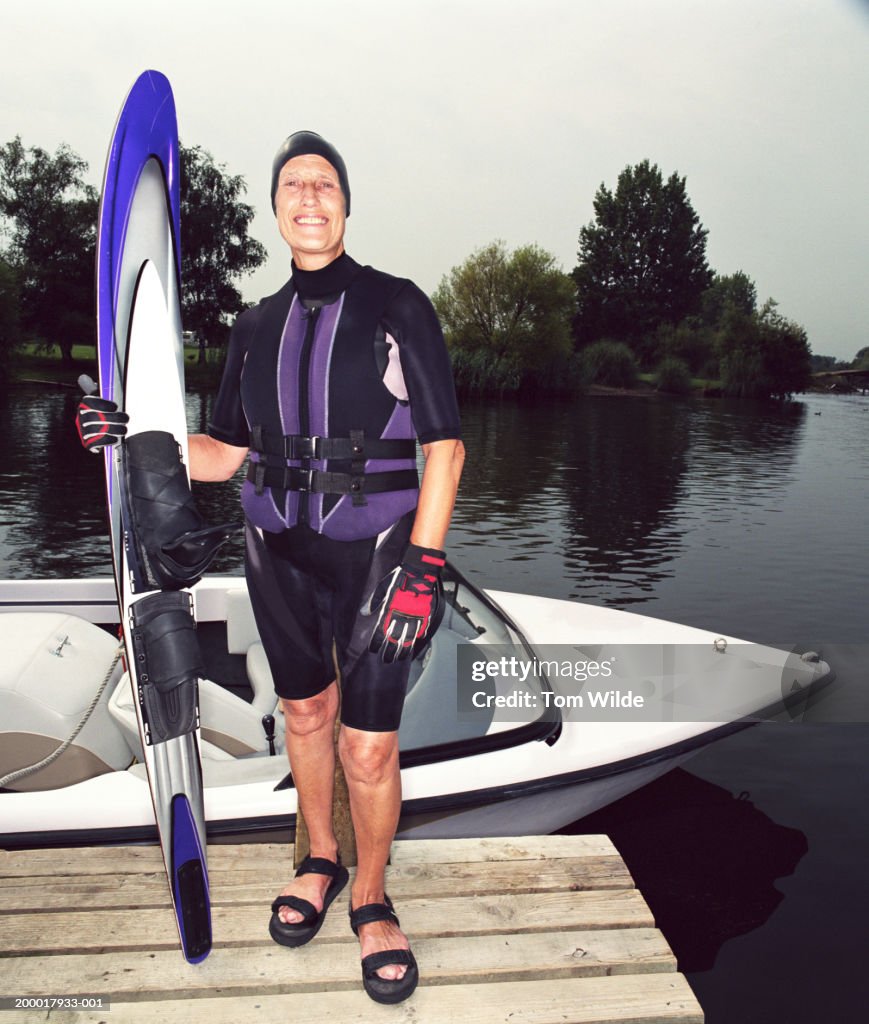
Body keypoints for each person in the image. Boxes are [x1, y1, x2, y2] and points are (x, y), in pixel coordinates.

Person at [79, 131, 463, 1004]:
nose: (309, 197)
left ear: (344, 204)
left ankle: (371, 894)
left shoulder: (398, 304)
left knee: (369, 747)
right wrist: (138, 432)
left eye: (324, 184)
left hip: (379, 556)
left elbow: (445, 447)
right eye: (293, 185)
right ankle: (319, 861)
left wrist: (424, 567)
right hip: (276, 554)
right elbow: (220, 451)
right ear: (277, 208)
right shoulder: (252, 325)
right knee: (303, 716)